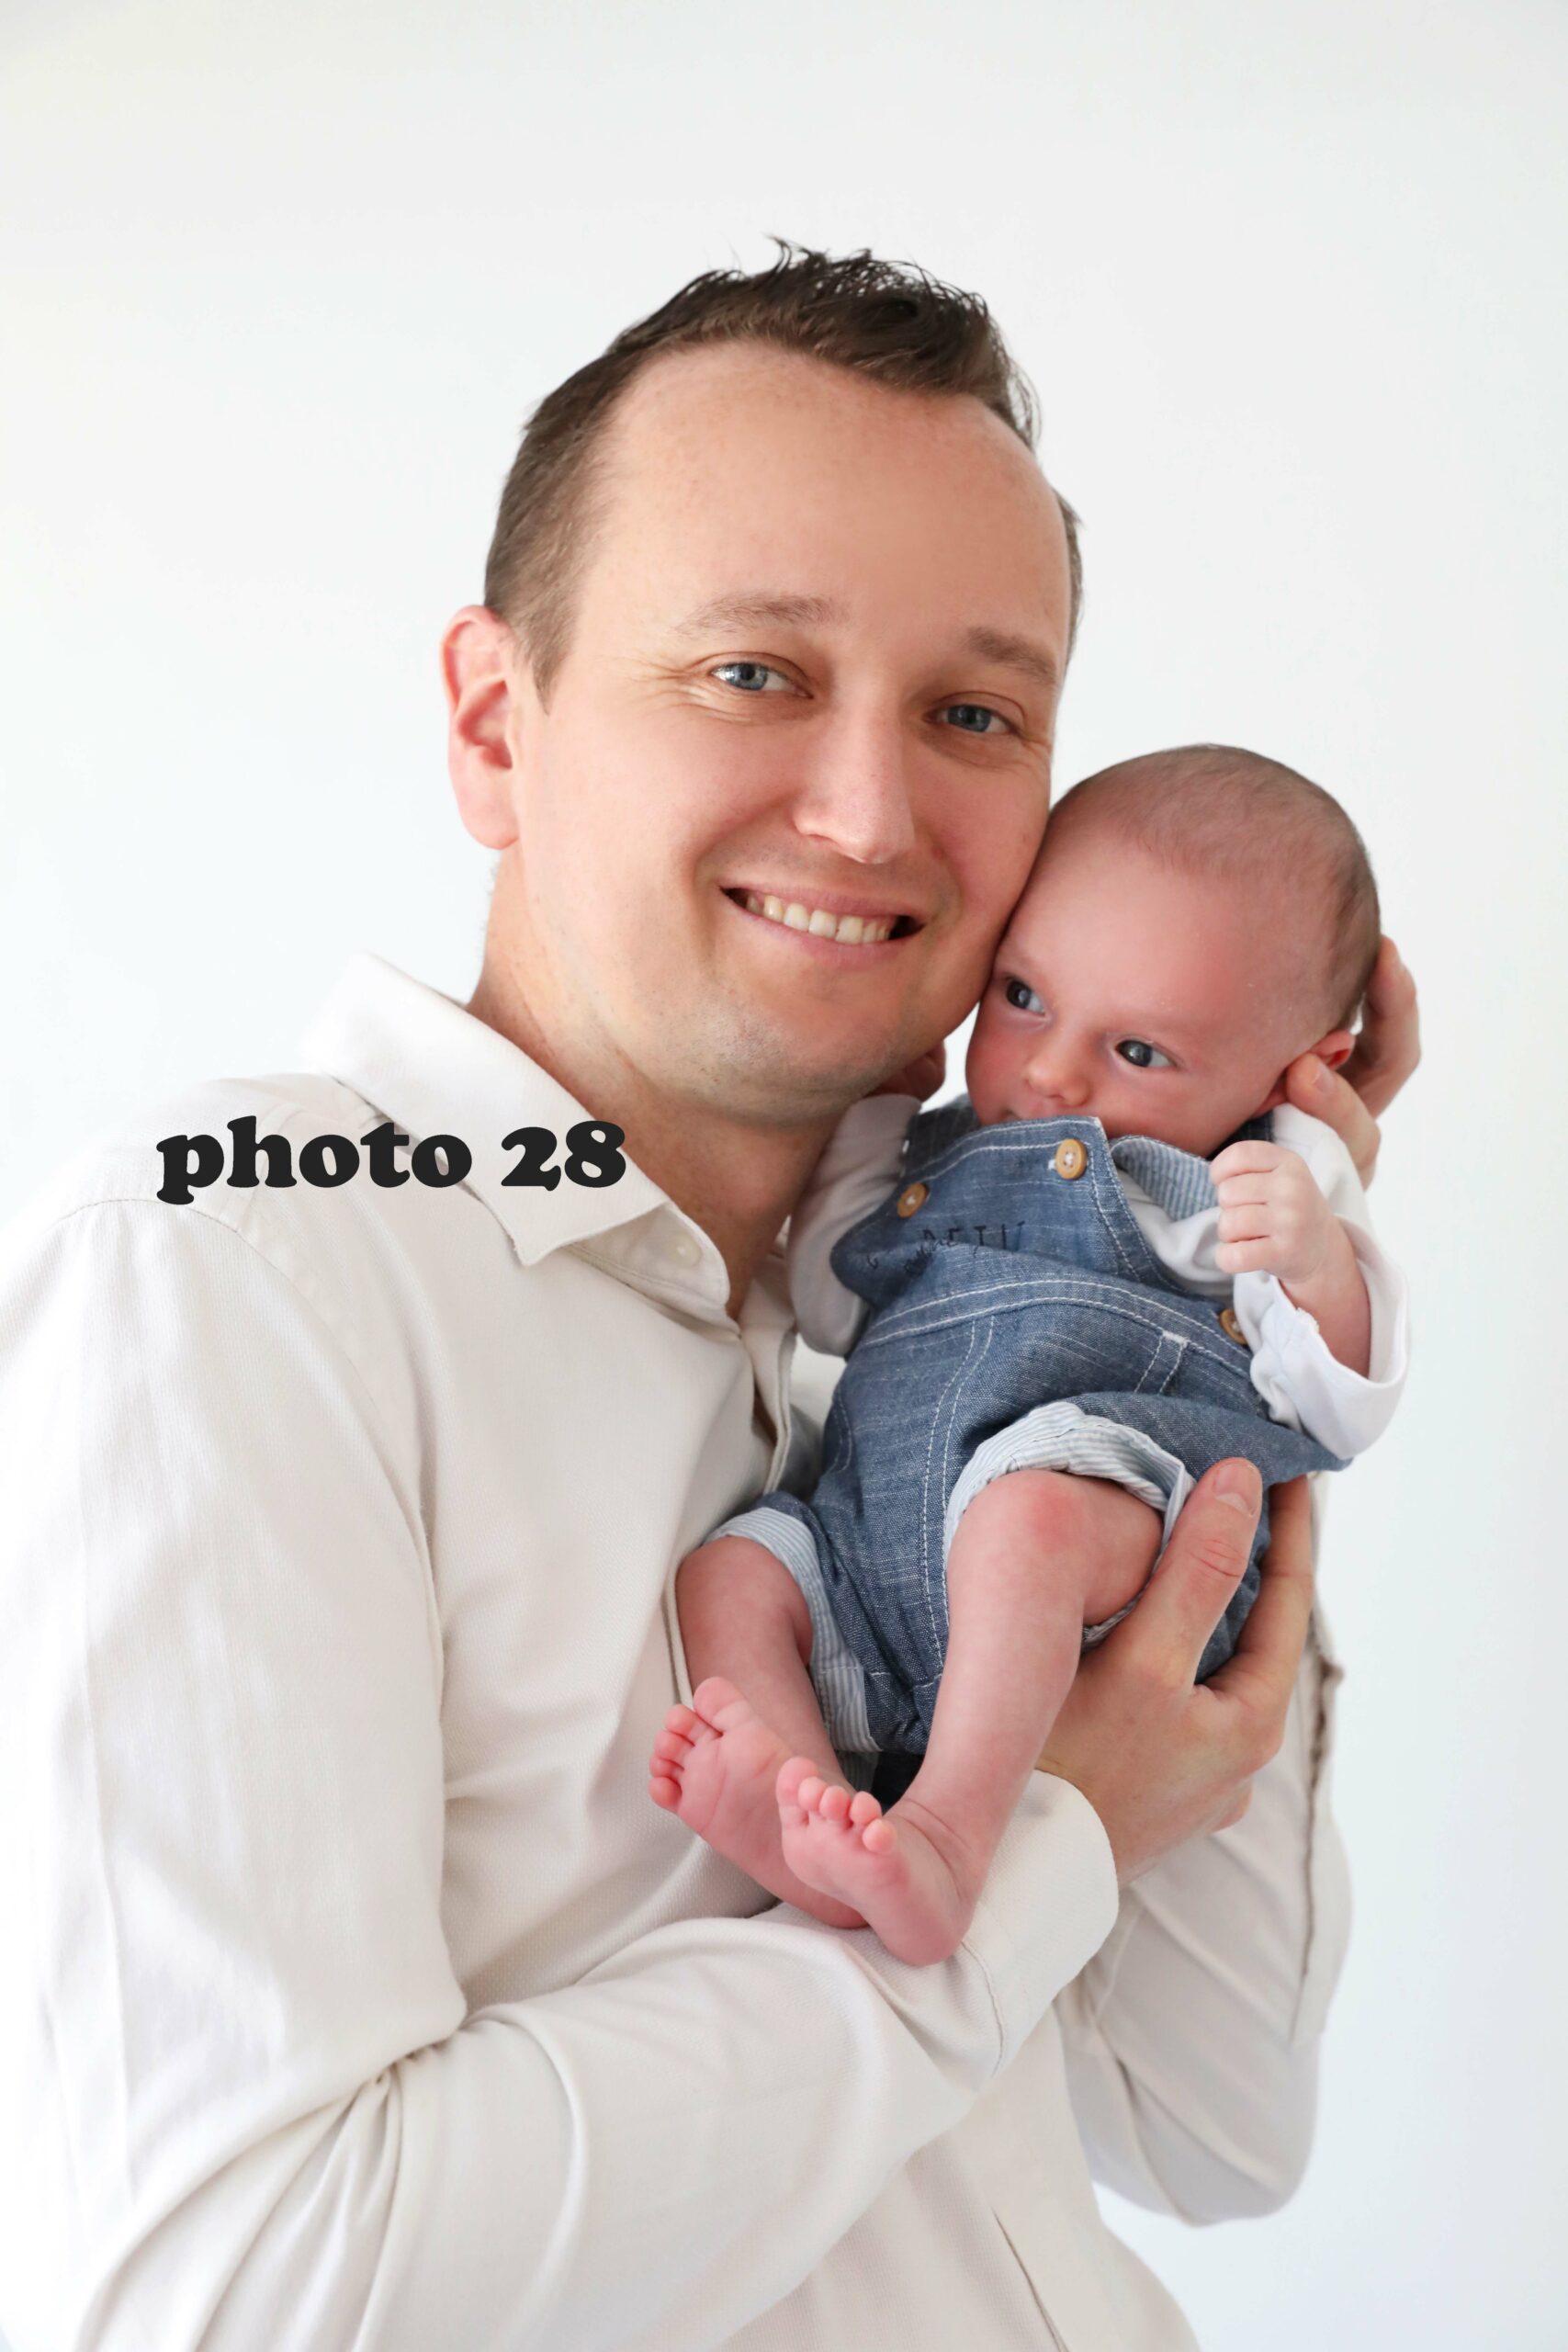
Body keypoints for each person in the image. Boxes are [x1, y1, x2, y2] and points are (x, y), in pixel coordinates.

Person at [0, 249, 1419, 2351]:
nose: (868, 812)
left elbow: (1203, 2120)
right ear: (496, 722)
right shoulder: (233, 1266)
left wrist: (1207, 1292)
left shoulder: (893, 1293)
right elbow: (239, 2296)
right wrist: (1031, 1845)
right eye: (752, 670)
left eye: (970, 713)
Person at [655, 746, 1410, 1965]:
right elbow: (839, 1303)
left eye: (1140, 1053)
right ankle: (810, 1818)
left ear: (1295, 1076)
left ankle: (947, 1843)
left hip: (1104, 1569)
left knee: (1030, 1510)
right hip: (878, 1561)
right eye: (1021, 996)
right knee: (732, 1574)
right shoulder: (943, 1157)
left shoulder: (1249, 1196)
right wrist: (872, 1120)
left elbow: (1338, 1409)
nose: (1052, 1072)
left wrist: (1324, 1257)